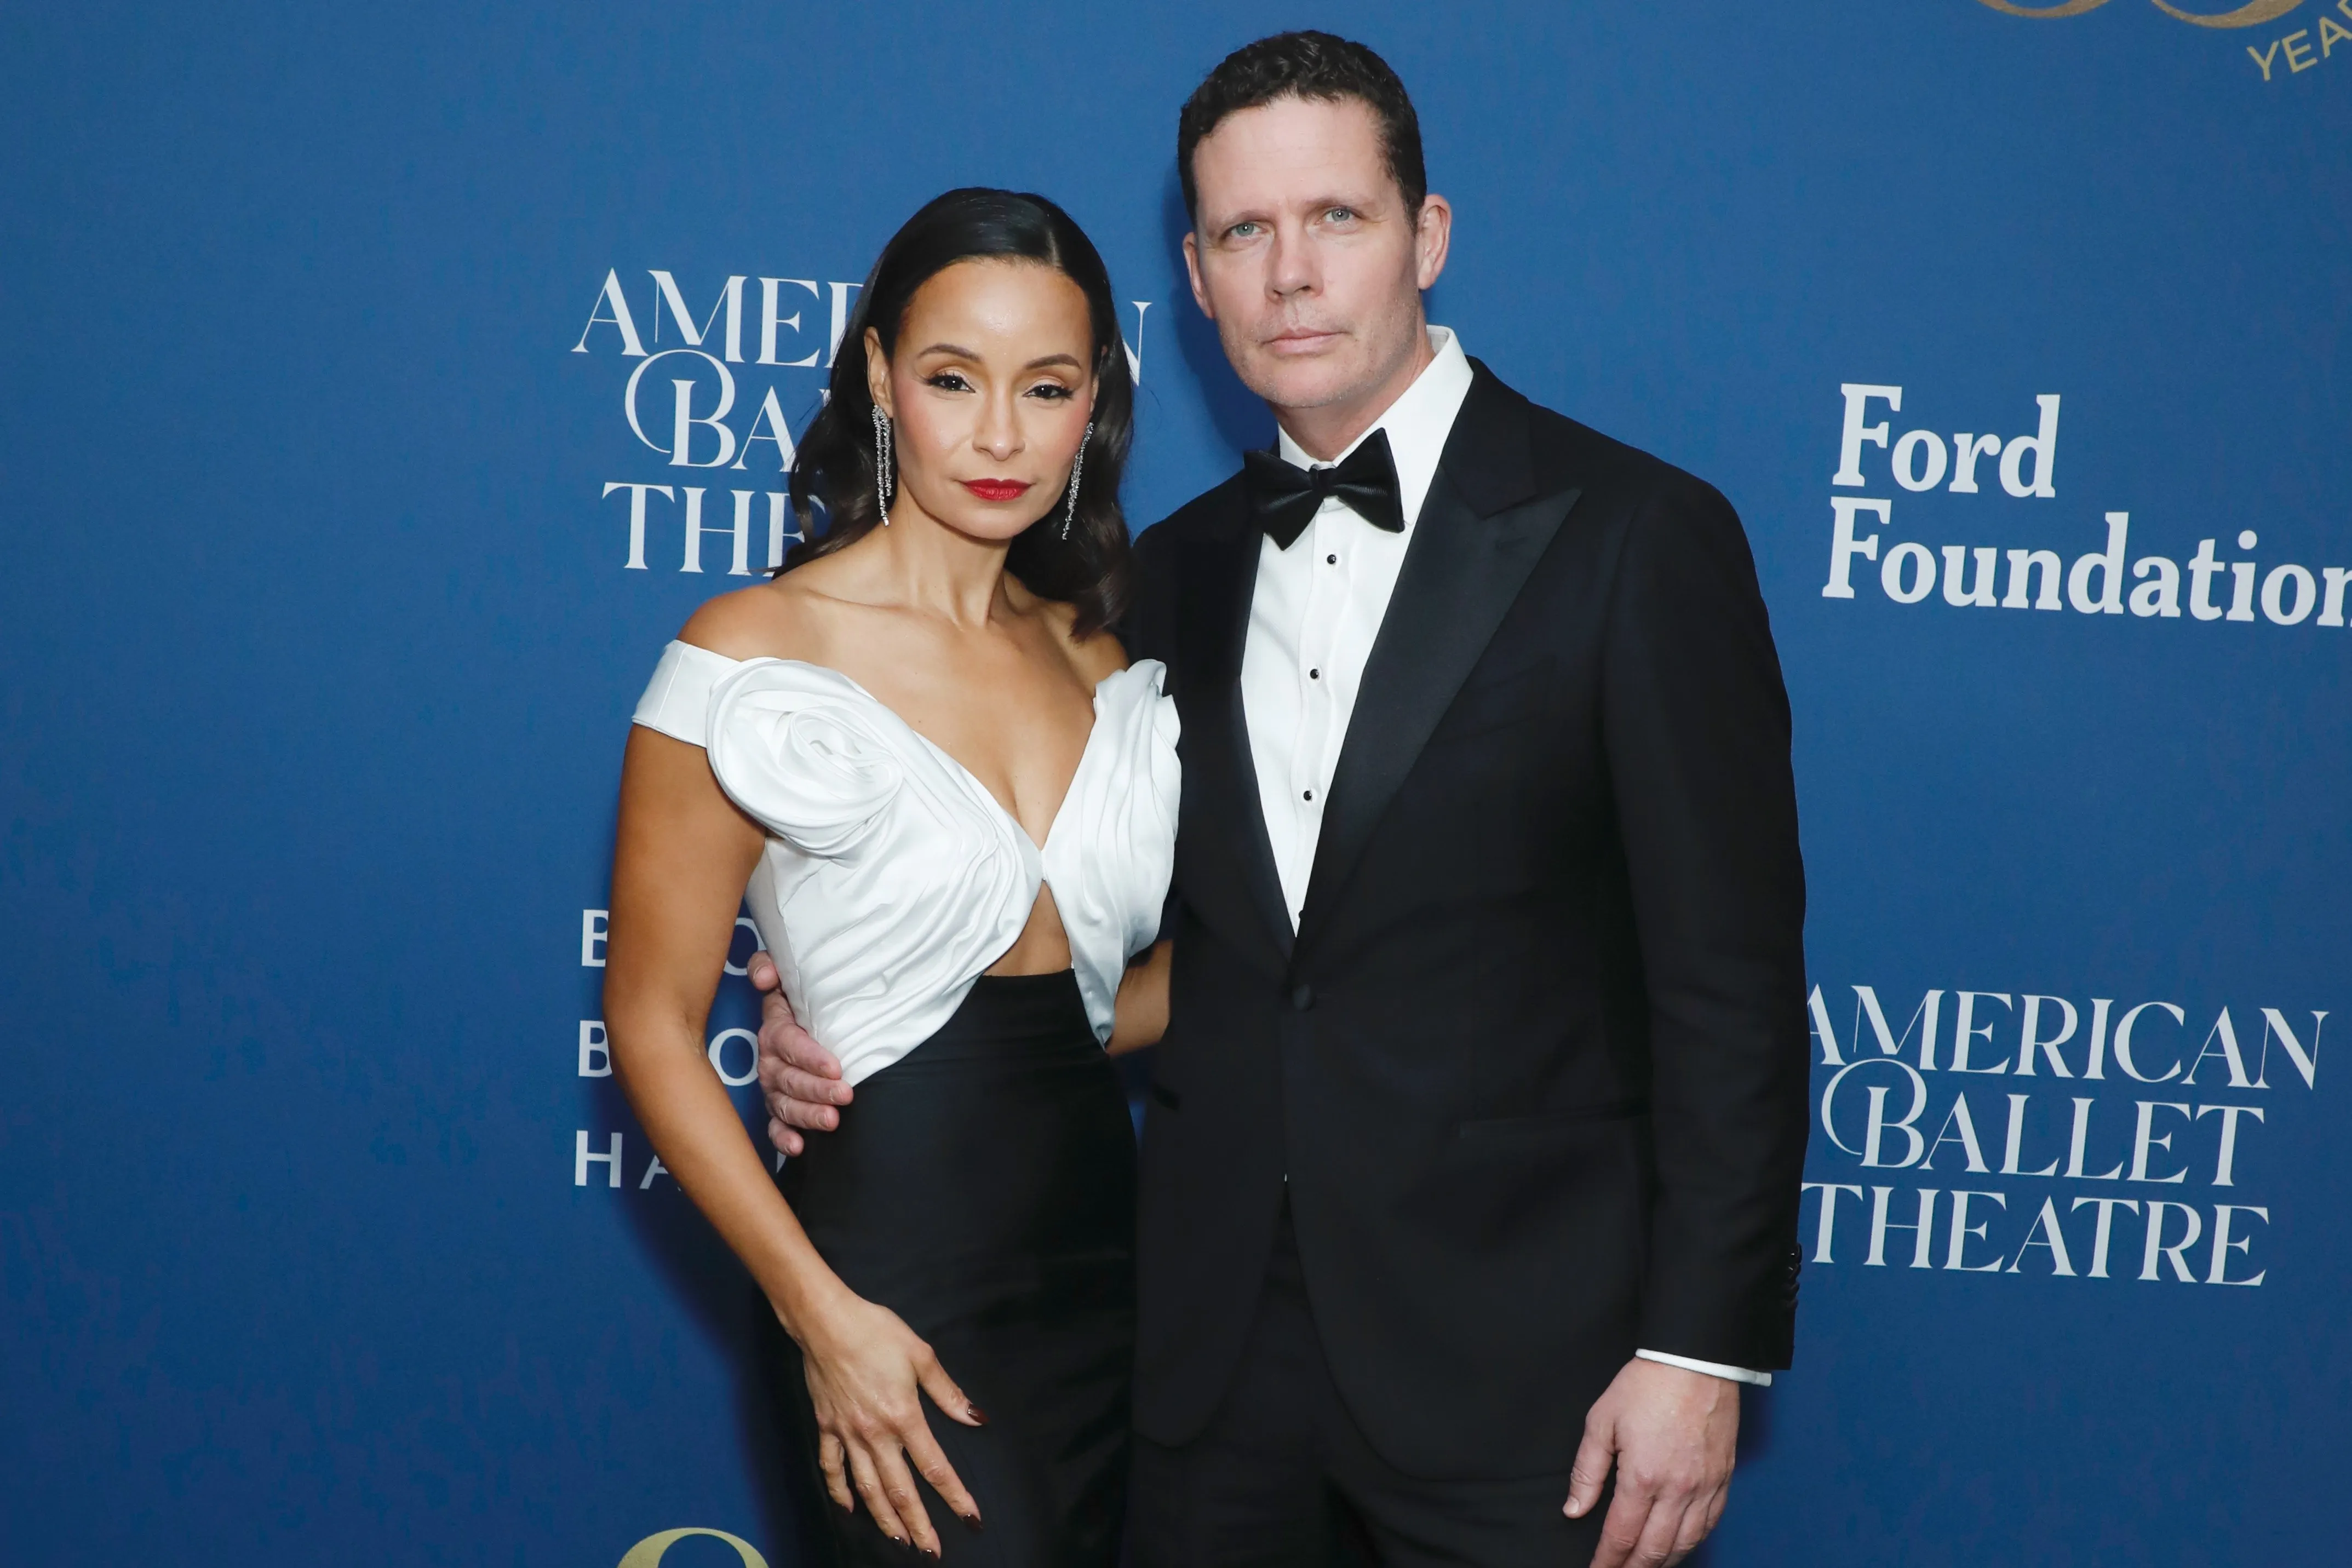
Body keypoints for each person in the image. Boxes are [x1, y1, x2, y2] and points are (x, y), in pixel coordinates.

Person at [760, 31, 1811, 1568]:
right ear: (1191, 277)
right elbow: (1103, 938)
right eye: (1243, 232)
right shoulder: (1155, 580)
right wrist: (856, 1014)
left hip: (1532, 1382)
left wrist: (1698, 1350)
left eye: (1335, 218)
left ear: (1426, 237)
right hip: (1200, 1377)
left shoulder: (1634, 537)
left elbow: (1728, 985)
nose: (1289, 274)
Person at [601, 186, 1179, 1566]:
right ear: (877, 376)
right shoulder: (753, 650)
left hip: (1116, 1274)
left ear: (1093, 398)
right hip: (886, 1284)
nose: (998, 436)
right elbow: (647, 1022)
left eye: (1045, 388)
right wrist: (820, 1315)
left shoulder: (1102, 658)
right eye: (949, 379)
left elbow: (1120, 1000)